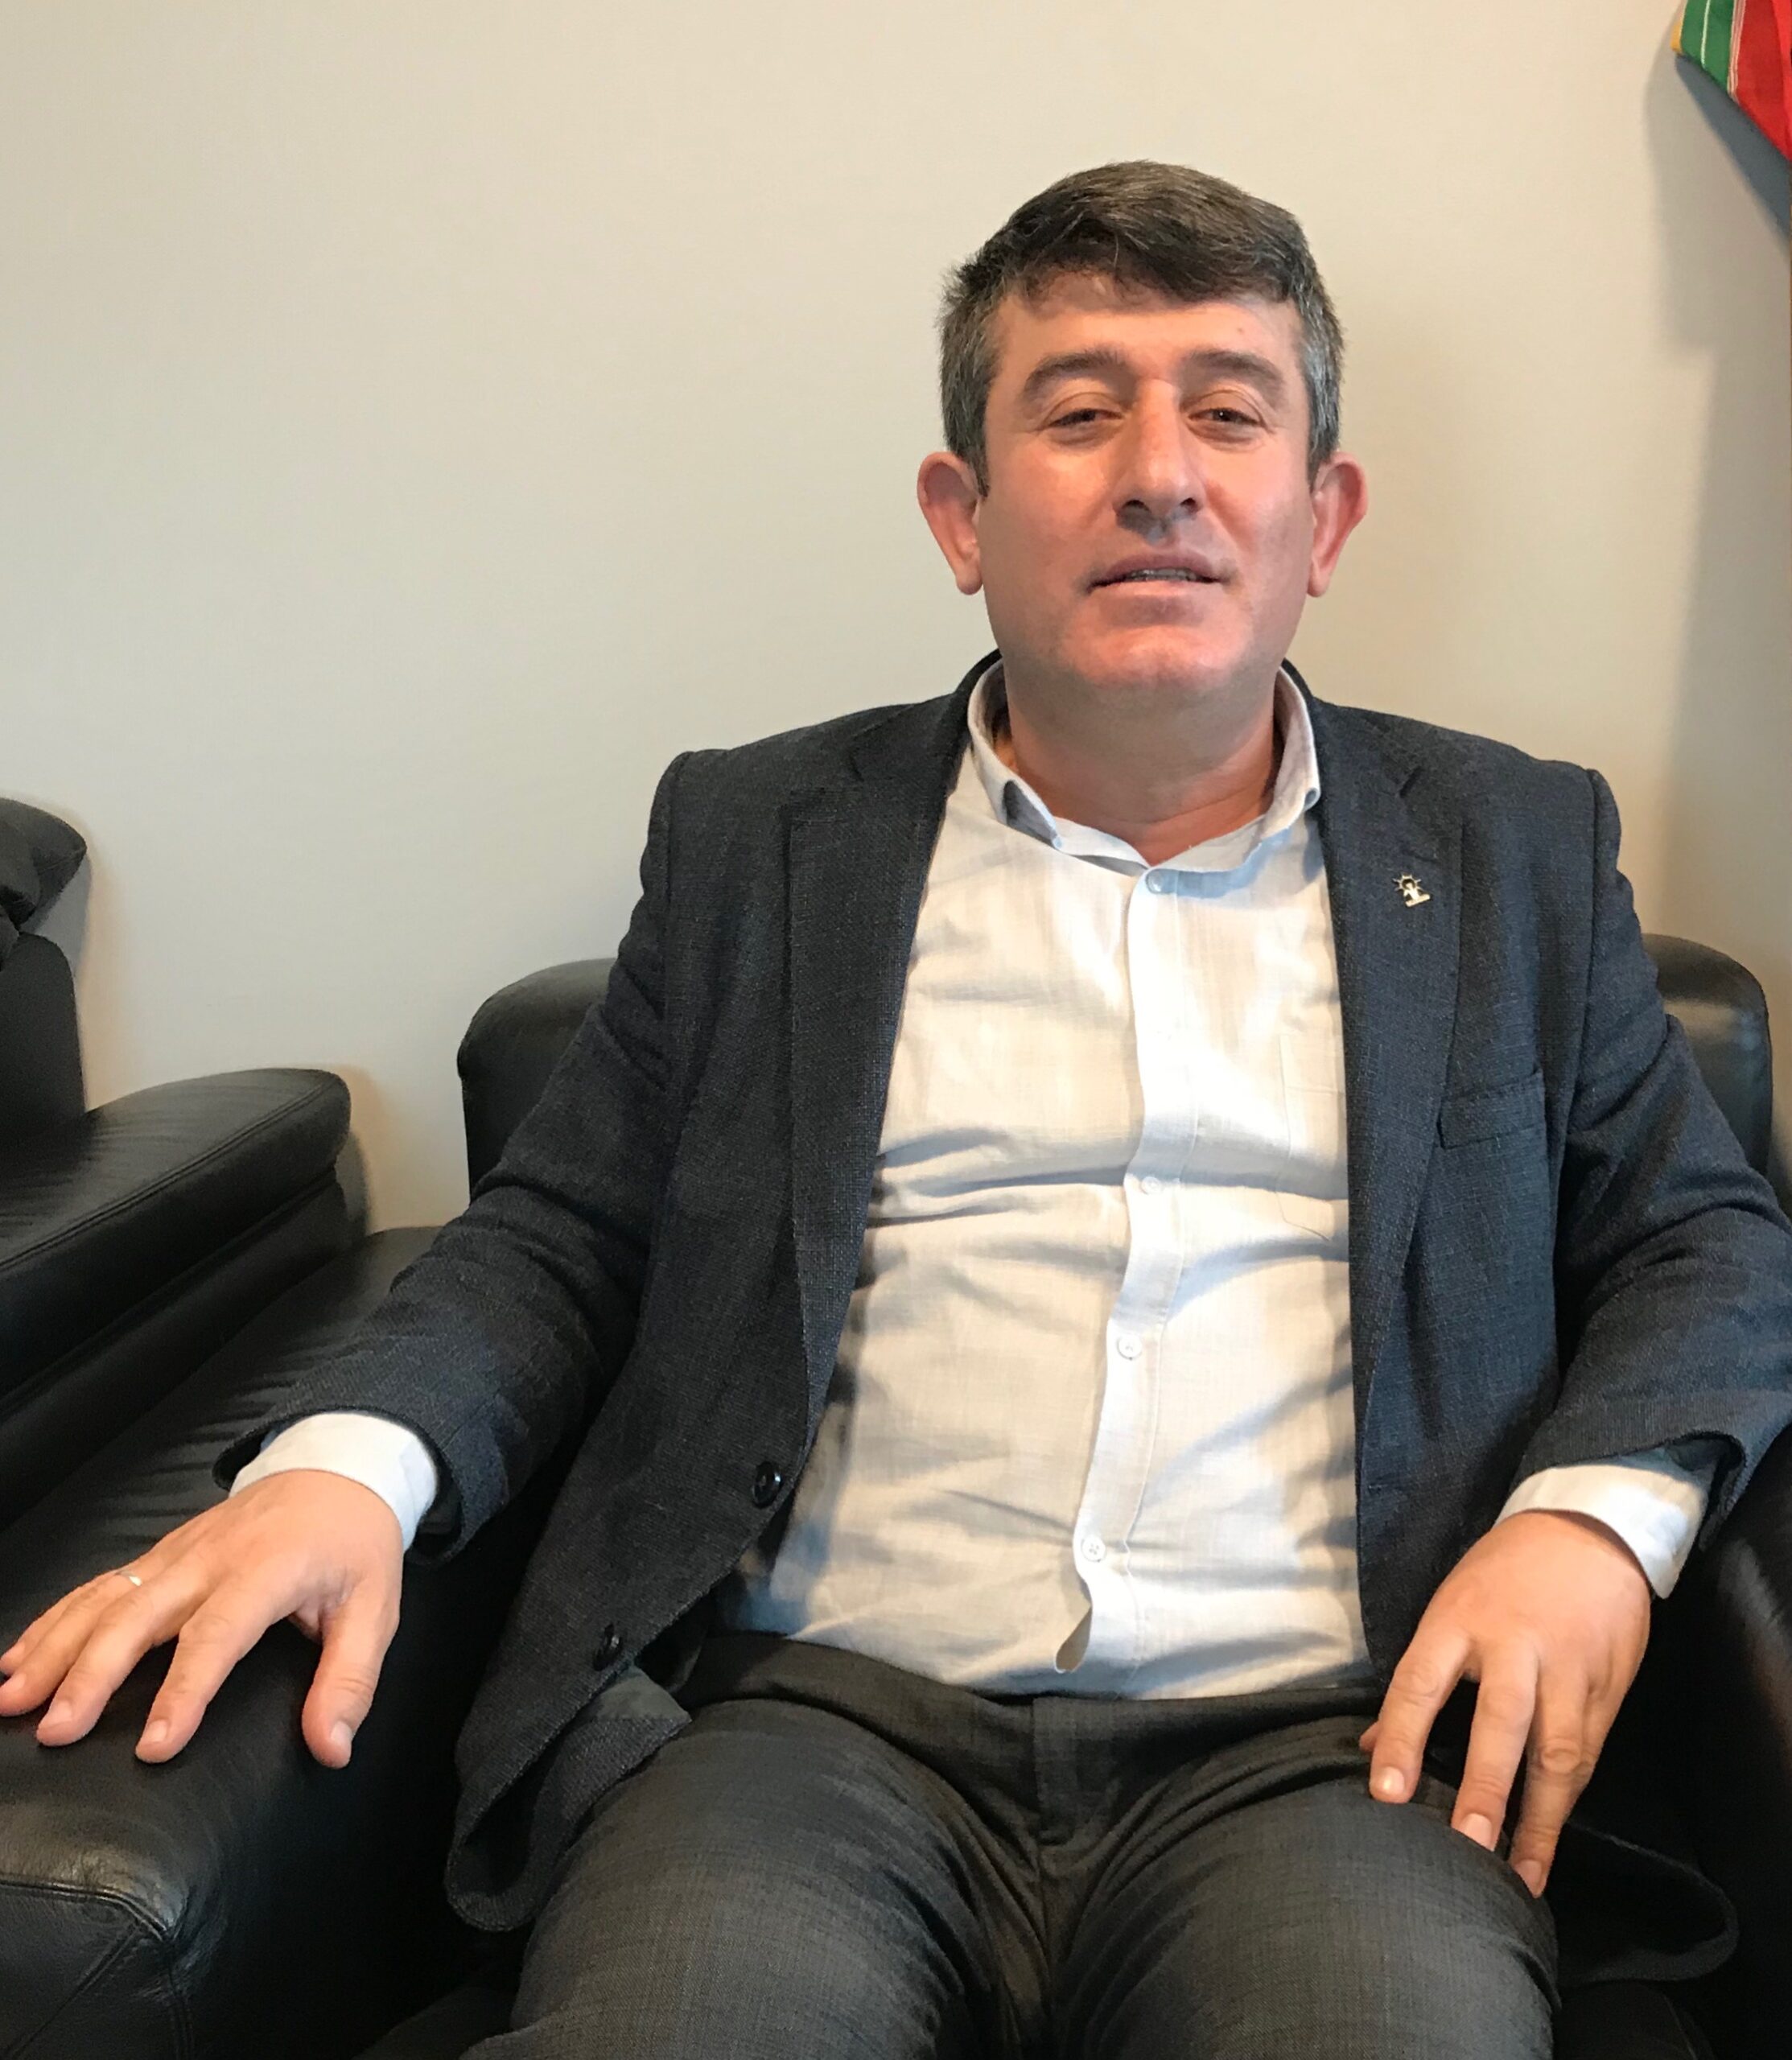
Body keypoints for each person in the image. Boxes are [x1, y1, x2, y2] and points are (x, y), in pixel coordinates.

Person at [5, 161, 1791, 2059]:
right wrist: (343, 1469)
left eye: (1227, 411)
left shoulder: (1512, 848)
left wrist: (1588, 1524)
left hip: (1333, 1751)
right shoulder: (763, 839)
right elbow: (559, 1235)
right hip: (808, 1733)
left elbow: (1701, 1235)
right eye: (1079, 412)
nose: (1161, 475)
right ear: (961, 513)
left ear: (1321, 514)